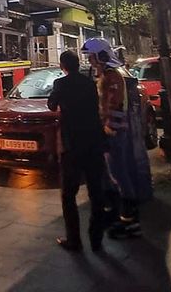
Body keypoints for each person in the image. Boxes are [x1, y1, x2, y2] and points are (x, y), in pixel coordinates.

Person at [82, 38, 152, 240]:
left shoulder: (112, 77)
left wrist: (107, 130)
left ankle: (131, 222)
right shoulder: (107, 75)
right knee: (117, 175)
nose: (90, 60)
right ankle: (124, 217)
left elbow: (114, 106)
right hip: (113, 133)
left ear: (101, 55)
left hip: (114, 134)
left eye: (92, 56)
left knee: (120, 175)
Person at [48, 50, 108, 253]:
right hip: (93, 142)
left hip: (71, 145)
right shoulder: (89, 83)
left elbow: (51, 105)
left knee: (68, 195)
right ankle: (96, 238)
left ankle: (74, 240)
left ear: (63, 66)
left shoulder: (61, 84)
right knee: (96, 192)